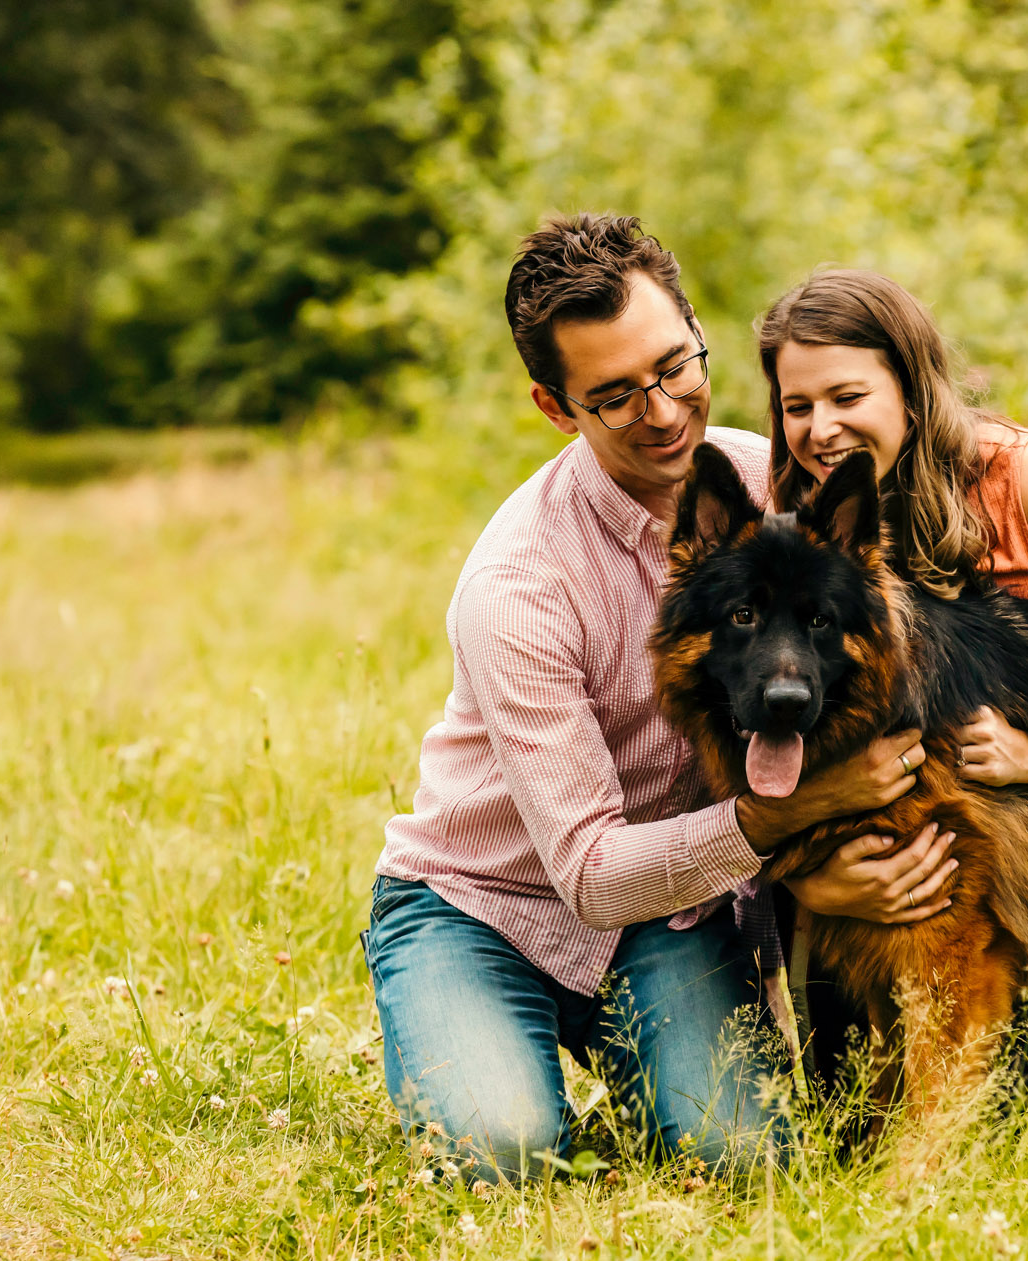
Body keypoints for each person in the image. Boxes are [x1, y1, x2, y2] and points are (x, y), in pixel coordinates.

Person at [364, 218, 958, 1183]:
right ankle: (473, 1038)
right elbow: (591, 873)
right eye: (614, 395)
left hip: (671, 914)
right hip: (486, 905)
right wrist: (796, 816)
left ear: (692, 326)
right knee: (503, 1156)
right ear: (556, 407)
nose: (662, 410)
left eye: (674, 365)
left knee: (745, 1161)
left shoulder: (776, 488)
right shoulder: (520, 584)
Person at [756, 269, 1028, 1088]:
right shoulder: (785, 515)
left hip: (1023, 870)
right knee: (847, 1128)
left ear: (910, 386)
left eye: (847, 396)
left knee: (993, 1130)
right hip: (852, 875)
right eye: (797, 406)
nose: (820, 429)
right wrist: (817, 882)